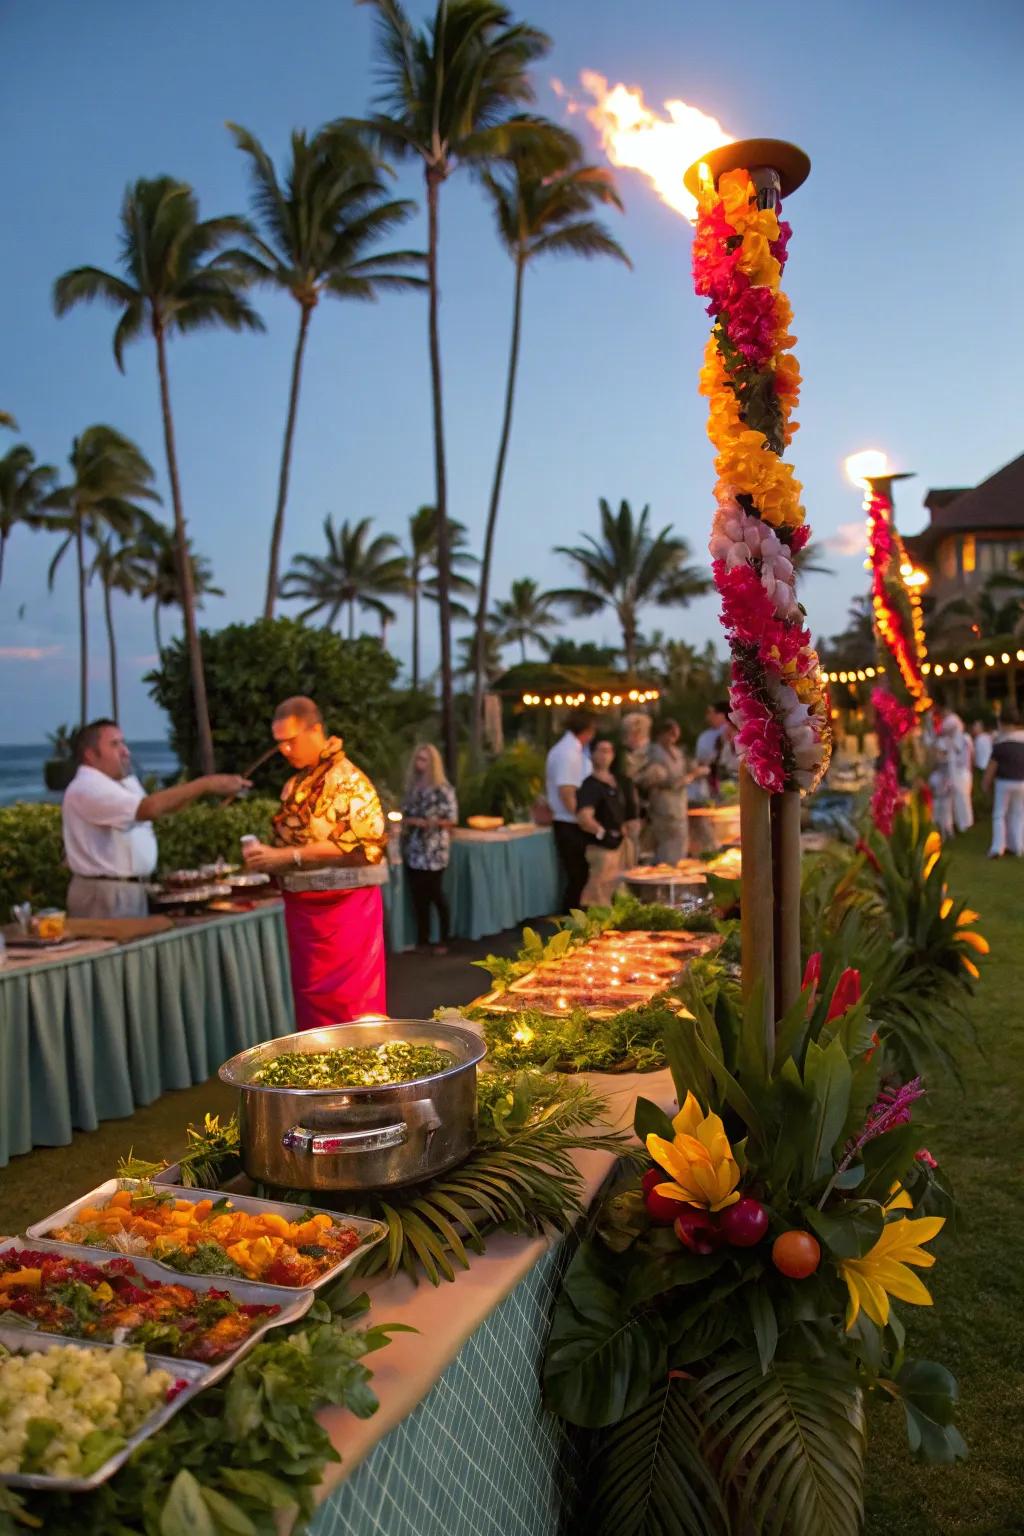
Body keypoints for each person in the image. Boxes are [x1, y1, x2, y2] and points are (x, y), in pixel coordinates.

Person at [243, 696, 388, 1029]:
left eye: (290, 741)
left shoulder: (349, 779)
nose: (285, 750)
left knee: (351, 1004)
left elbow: (360, 838)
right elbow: (290, 843)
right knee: (311, 1004)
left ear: (316, 730)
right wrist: (268, 857)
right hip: (305, 910)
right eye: (279, 744)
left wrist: (289, 855)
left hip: (347, 908)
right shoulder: (297, 784)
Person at [62, 719, 250, 918]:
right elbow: (148, 808)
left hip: (124, 891)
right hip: (106, 895)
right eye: (114, 744)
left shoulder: (117, 783)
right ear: (90, 755)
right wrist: (205, 784)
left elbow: (162, 809)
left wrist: (205, 790)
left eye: (123, 743)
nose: (126, 752)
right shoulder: (87, 787)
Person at [401, 743, 458, 954]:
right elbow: (404, 814)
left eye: (424, 760)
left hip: (434, 849)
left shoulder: (443, 789)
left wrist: (431, 823)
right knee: (418, 897)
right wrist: (411, 822)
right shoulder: (412, 788)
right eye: (418, 759)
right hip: (414, 847)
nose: (420, 764)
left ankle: (444, 938)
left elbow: (452, 819)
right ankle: (422, 938)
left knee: (435, 893)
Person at [576, 738, 641, 905]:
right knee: (600, 892)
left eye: (609, 751)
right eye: (601, 751)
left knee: (624, 889)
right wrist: (603, 833)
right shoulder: (590, 785)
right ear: (592, 755)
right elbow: (585, 818)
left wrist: (631, 828)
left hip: (624, 844)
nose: (605, 755)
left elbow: (632, 814)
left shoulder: (622, 781)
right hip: (603, 848)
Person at [545, 710, 596, 912]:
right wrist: (584, 818)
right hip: (570, 822)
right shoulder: (567, 753)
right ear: (588, 730)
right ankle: (571, 923)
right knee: (577, 877)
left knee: (580, 875)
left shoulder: (572, 751)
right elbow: (567, 792)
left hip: (573, 821)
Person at [643, 717, 694, 862]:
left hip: (679, 806)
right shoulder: (653, 752)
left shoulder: (677, 752)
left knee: (680, 846)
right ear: (662, 734)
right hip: (663, 808)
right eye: (671, 734)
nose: (674, 738)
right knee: (667, 850)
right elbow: (663, 781)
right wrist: (691, 776)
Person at [983, 708, 1024, 857]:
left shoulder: (1001, 743)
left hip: (1004, 782)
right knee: (1018, 814)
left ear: (1003, 723)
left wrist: (985, 784)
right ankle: (1018, 846)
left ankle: (998, 847)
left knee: (999, 814)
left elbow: (992, 767)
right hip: (1021, 782)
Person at [929, 709, 973, 838]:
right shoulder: (946, 741)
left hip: (958, 773)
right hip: (948, 775)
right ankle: (948, 827)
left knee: (959, 800)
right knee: (947, 802)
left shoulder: (962, 739)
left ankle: (960, 825)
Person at [692, 700, 730, 805]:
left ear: (721, 715)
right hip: (711, 782)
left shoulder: (733, 731)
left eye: (711, 713)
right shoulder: (705, 736)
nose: (708, 717)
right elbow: (700, 762)